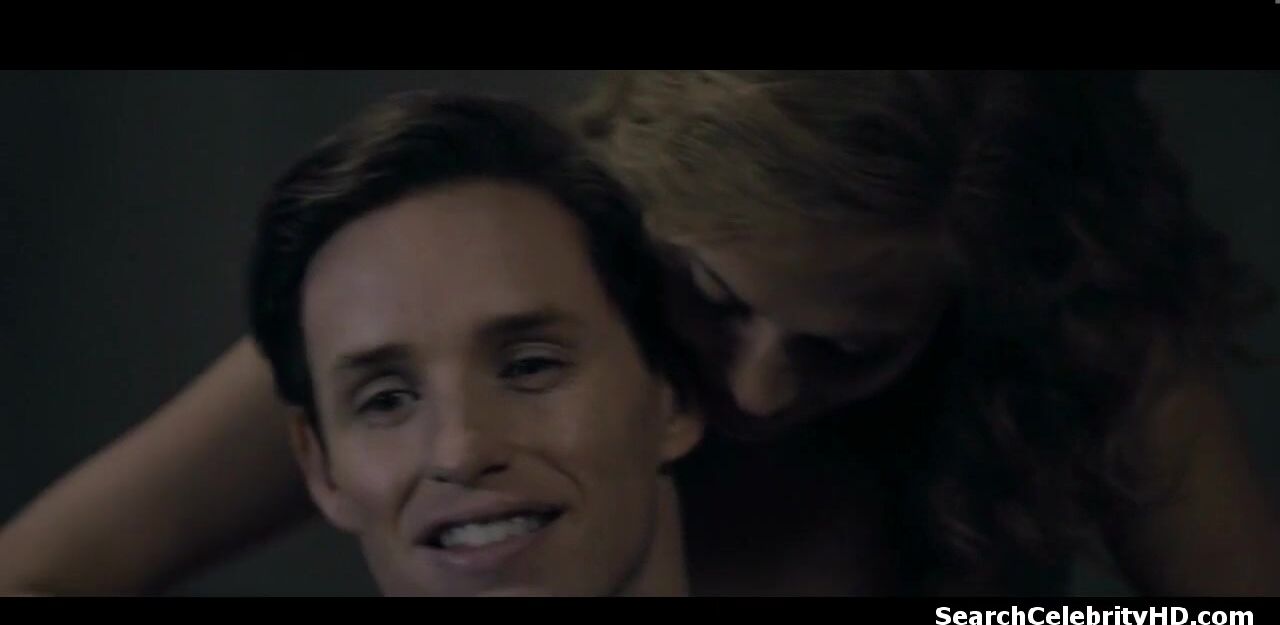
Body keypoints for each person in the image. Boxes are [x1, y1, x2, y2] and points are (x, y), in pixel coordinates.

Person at [2, 71, 1276, 595]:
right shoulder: (459, 289)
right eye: (713, 297)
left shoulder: (1077, 351)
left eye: (849, 349)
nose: (757, 389)